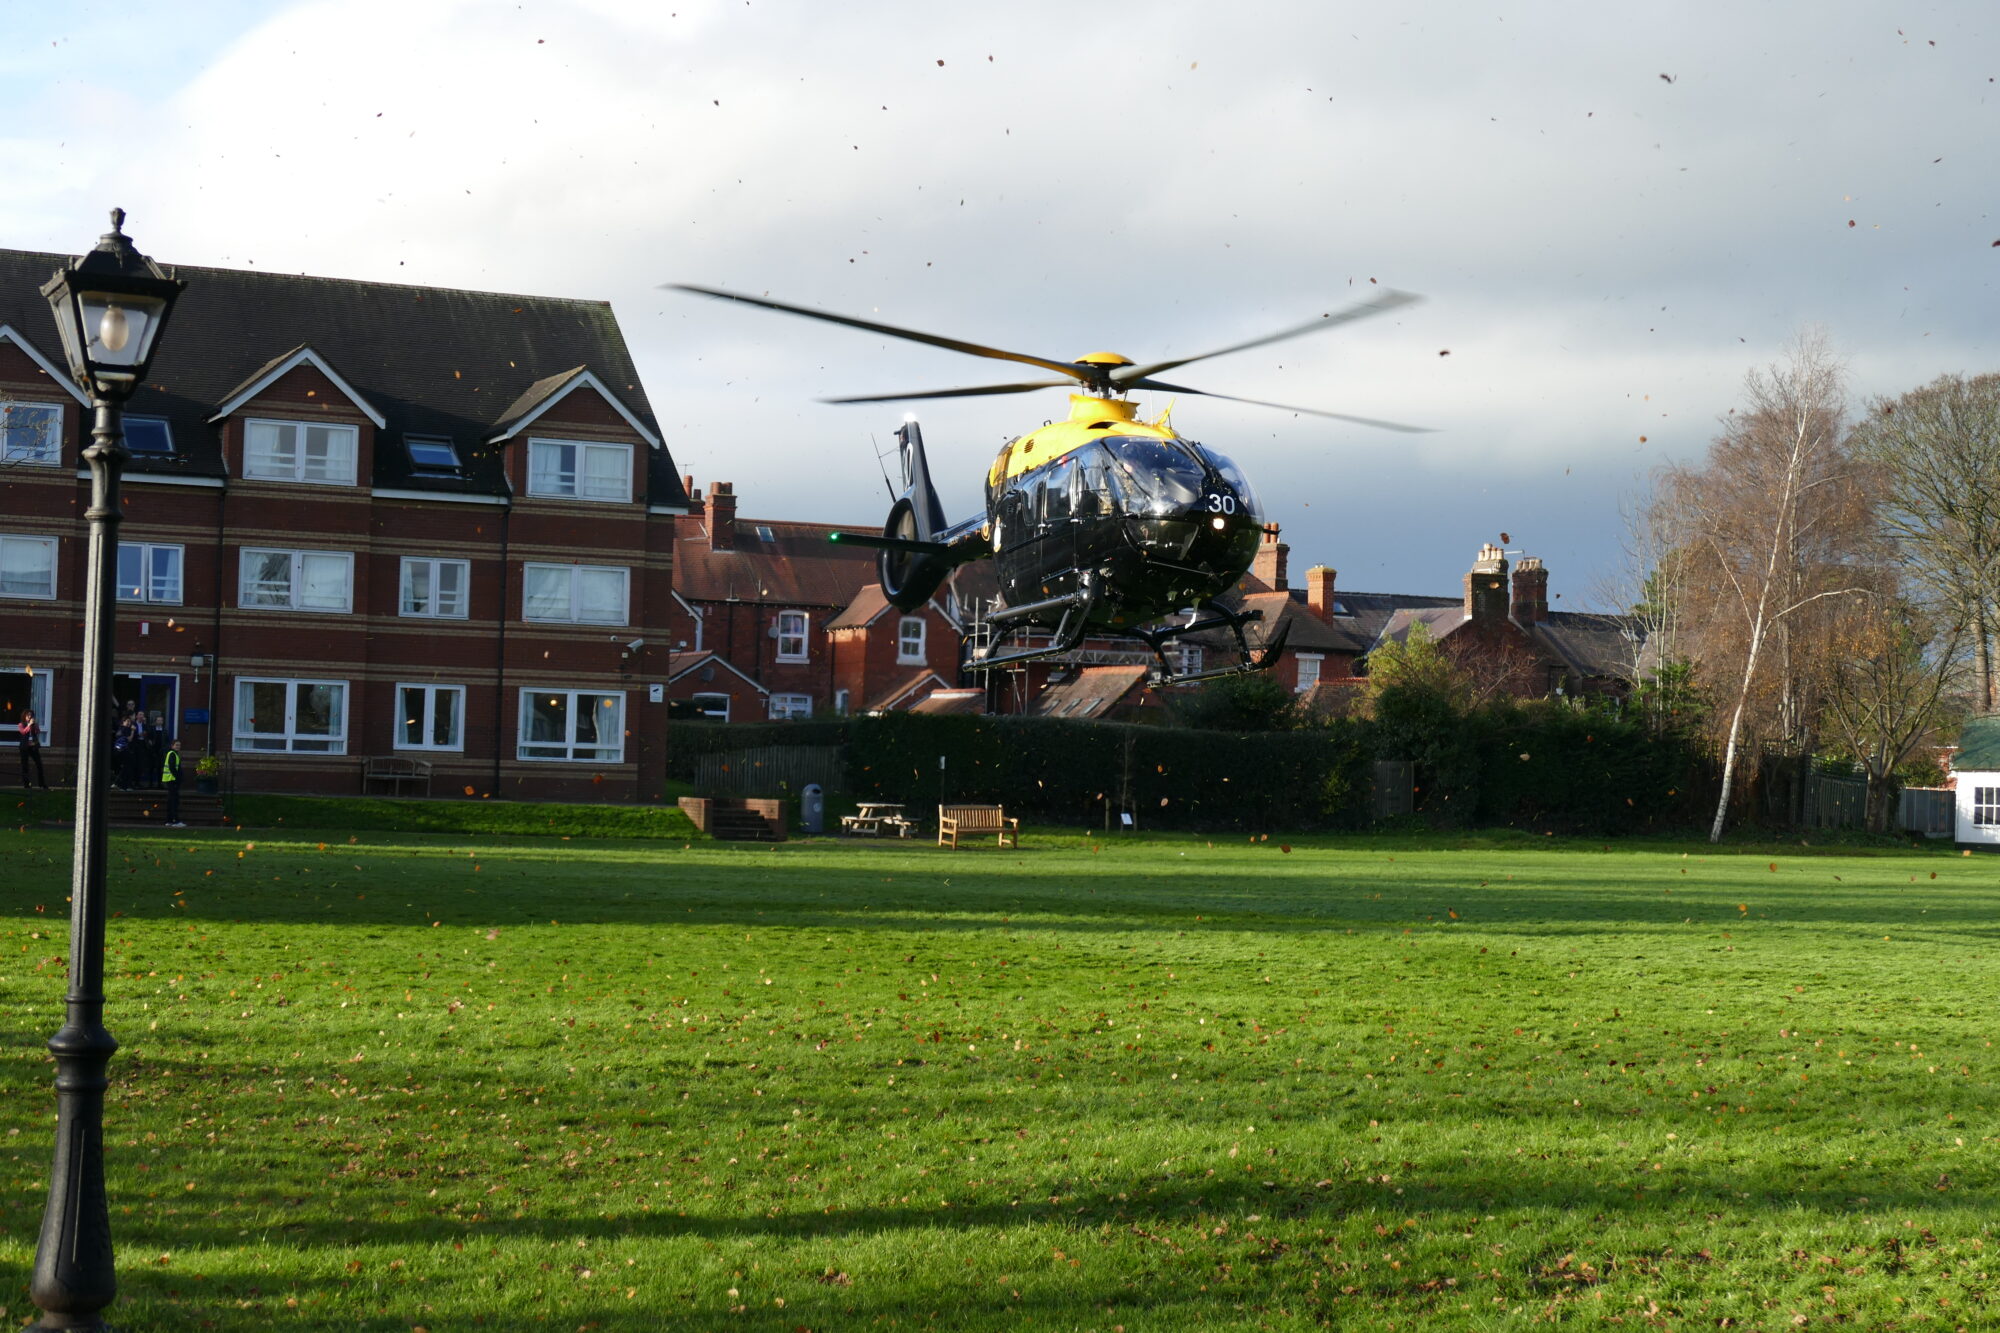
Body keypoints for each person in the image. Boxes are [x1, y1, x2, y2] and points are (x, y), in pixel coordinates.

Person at [17, 708, 47, 789]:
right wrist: (29, 725)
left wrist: (35, 725)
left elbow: (38, 732)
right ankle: (26, 785)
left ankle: (42, 784)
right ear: (24, 716)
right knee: (25, 766)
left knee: (39, 764)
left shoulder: (33, 725)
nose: (30, 716)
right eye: (28, 715)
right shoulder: (21, 725)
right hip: (24, 747)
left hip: (33, 747)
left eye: (31, 715)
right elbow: (23, 732)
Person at [160, 738, 184, 827]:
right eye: (176, 745)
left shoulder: (173, 754)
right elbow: (172, 768)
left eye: (179, 745)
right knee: (174, 801)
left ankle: (169, 820)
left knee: (171, 801)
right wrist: (177, 778)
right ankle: (175, 821)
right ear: (172, 746)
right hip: (172, 780)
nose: (178, 747)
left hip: (171, 780)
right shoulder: (172, 754)